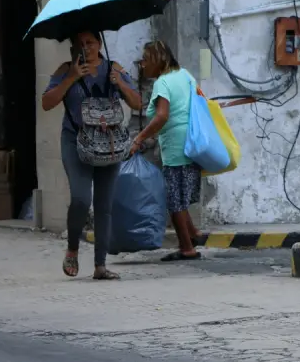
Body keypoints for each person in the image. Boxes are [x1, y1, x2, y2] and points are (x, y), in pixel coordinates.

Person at [41, 30, 142, 280]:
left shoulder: (114, 69)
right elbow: (47, 102)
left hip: (108, 142)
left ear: (99, 44)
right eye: (80, 44)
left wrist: (120, 84)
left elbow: (138, 103)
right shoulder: (66, 69)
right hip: (76, 141)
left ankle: (100, 265)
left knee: (104, 205)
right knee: (81, 198)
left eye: (90, 42)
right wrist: (71, 78)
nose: (86, 47)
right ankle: (73, 249)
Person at [131, 40, 203, 261]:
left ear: (156, 59)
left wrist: (140, 138)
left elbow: (162, 116)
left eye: (145, 60)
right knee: (180, 195)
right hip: (192, 141)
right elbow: (198, 100)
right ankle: (193, 235)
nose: (142, 65)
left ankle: (186, 248)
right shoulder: (185, 75)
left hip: (175, 146)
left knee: (173, 200)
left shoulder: (162, 82)